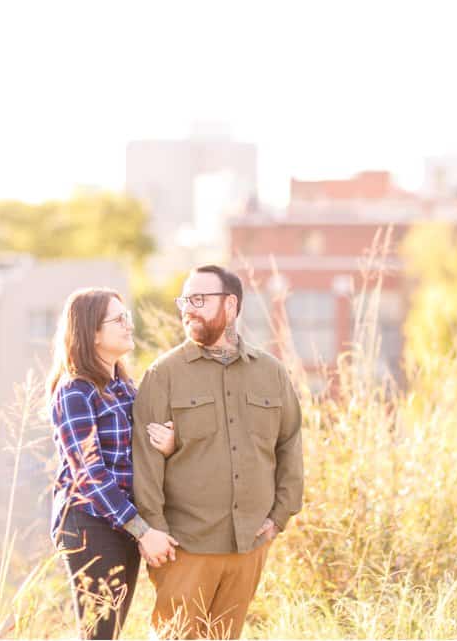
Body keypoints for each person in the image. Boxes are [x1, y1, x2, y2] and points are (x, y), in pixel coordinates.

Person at [133, 265, 304, 639]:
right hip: (185, 548)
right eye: (184, 301)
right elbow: (144, 464)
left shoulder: (271, 373)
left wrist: (279, 515)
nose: (187, 310)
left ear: (230, 305)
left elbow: (289, 443)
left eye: (199, 300)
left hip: (249, 546)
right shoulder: (163, 375)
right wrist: (154, 530)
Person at [47, 287, 179, 640]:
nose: (128, 325)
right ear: (92, 331)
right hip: (90, 524)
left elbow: (140, 451)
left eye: (127, 317)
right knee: (100, 634)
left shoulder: (123, 386)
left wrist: (168, 444)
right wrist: (142, 530)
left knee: (112, 631)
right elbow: (89, 474)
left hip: (122, 521)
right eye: (118, 319)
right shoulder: (75, 390)